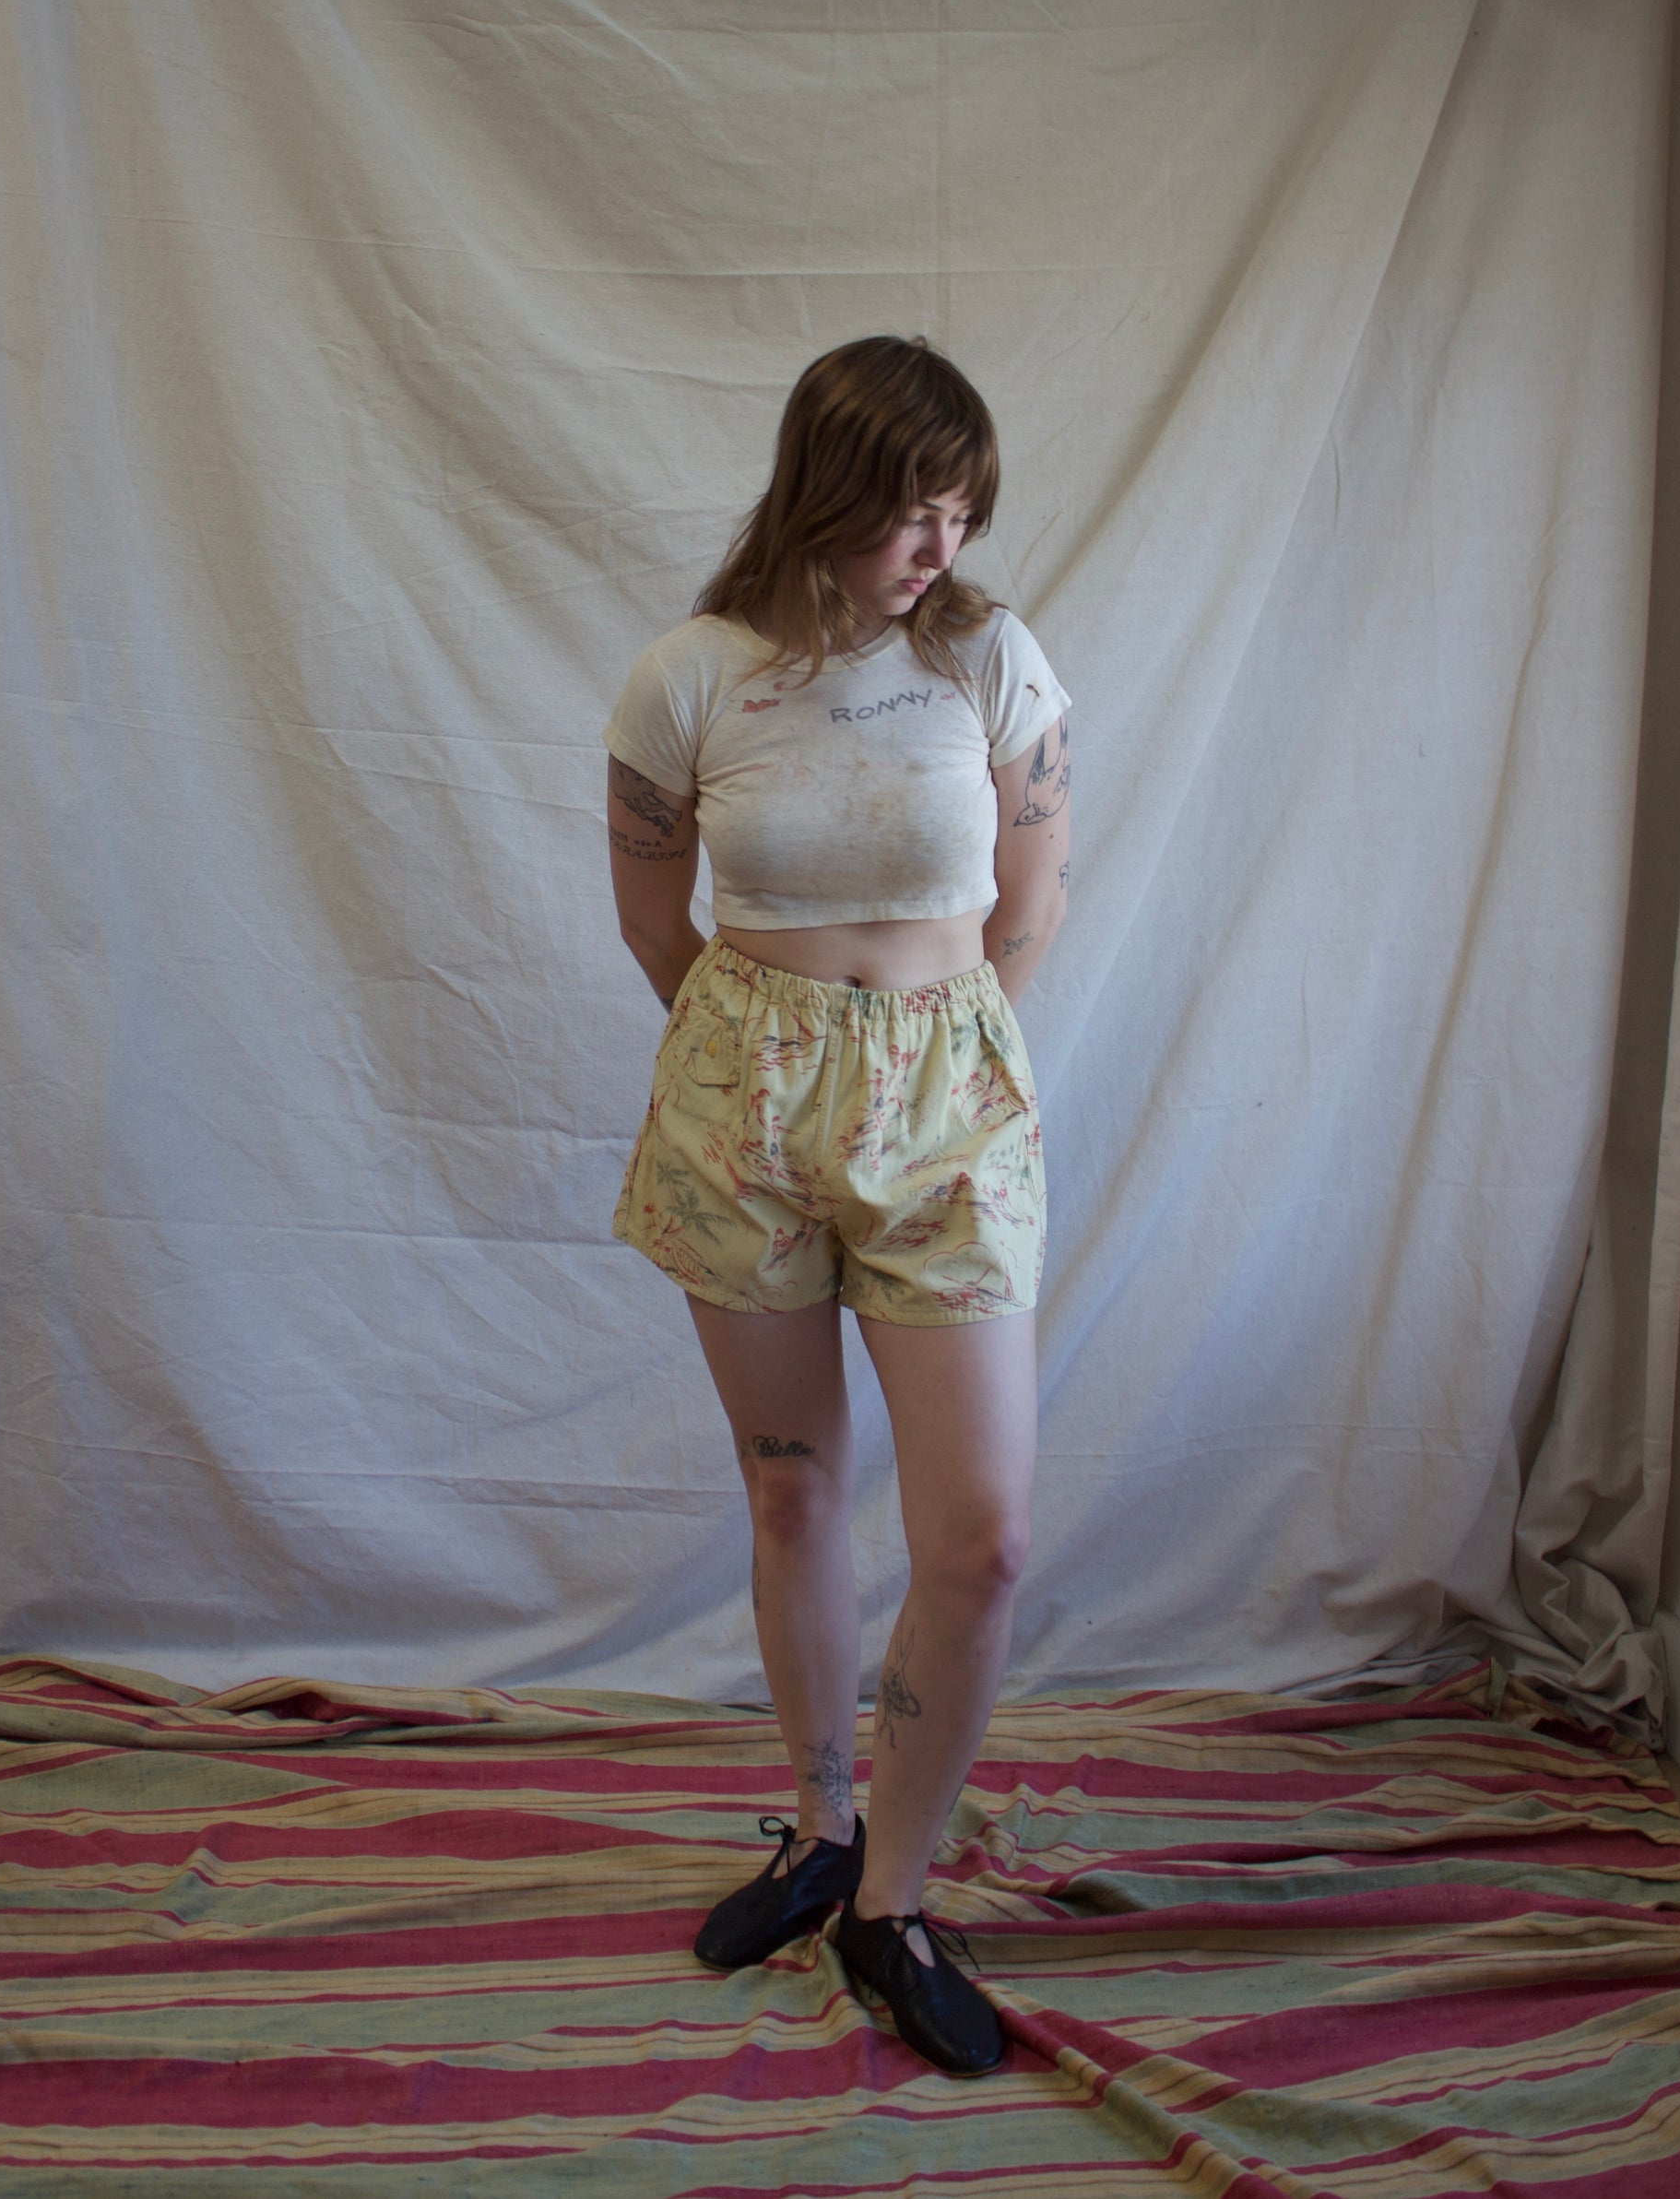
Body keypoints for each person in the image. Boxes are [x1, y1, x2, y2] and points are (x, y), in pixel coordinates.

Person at [601, 334, 1071, 2077]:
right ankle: (815, 1833)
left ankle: (894, 1896)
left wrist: (928, 1064)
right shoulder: (691, 679)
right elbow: (653, 920)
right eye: (910, 510)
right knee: (792, 1490)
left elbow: (1030, 903)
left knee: (982, 1539)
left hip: (949, 1105)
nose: (941, 547)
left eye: (962, 511)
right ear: (825, 491)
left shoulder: (990, 663)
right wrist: (768, 1063)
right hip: (744, 1109)